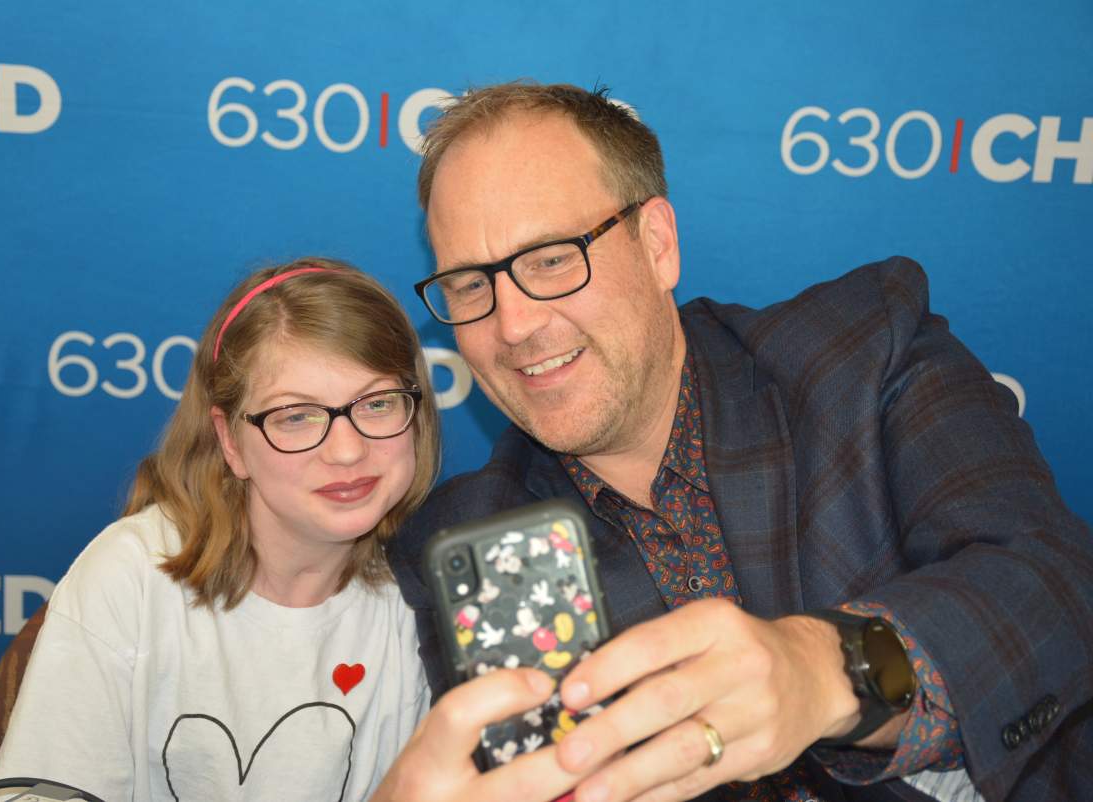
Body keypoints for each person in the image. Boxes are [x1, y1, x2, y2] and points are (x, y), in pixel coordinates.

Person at [387, 82, 1093, 802]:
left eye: (551, 259)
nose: (511, 324)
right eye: (470, 285)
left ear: (657, 245)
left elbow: (1054, 580)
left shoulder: (865, 351)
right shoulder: (467, 543)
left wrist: (823, 670)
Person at [0, 259, 445, 801]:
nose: (347, 450)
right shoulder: (131, 576)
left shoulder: (425, 590)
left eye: (376, 403)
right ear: (230, 442)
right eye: (295, 415)